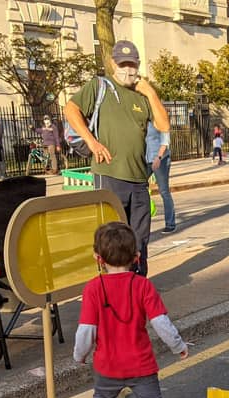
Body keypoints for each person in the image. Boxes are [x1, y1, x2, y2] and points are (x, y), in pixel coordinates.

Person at [74, 221, 190, 398]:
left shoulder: (93, 288)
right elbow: (161, 323)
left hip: (107, 364)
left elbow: (86, 330)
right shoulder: (143, 285)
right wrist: (178, 346)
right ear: (137, 257)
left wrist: (80, 355)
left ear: (98, 258)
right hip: (141, 363)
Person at [64, 40, 170, 276]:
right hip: (110, 174)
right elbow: (70, 109)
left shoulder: (142, 96)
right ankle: (110, 287)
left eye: (131, 63)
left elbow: (163, 125)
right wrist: (91, 141)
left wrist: (150, 92)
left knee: (139, 238)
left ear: (138, 64)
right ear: (113, 63)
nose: (127, 69)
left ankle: (137, 283)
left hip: (139, 178)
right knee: (111, 239)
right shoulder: (99, 86)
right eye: (122, 63)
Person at [145, 120, 176, 233]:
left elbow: (165, 141)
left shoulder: (159, 119)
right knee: (138, 187)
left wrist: (158, 157)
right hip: (146, 159)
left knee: (164, 191)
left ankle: (170, 223)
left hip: (160, 159)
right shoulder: (142, 118)